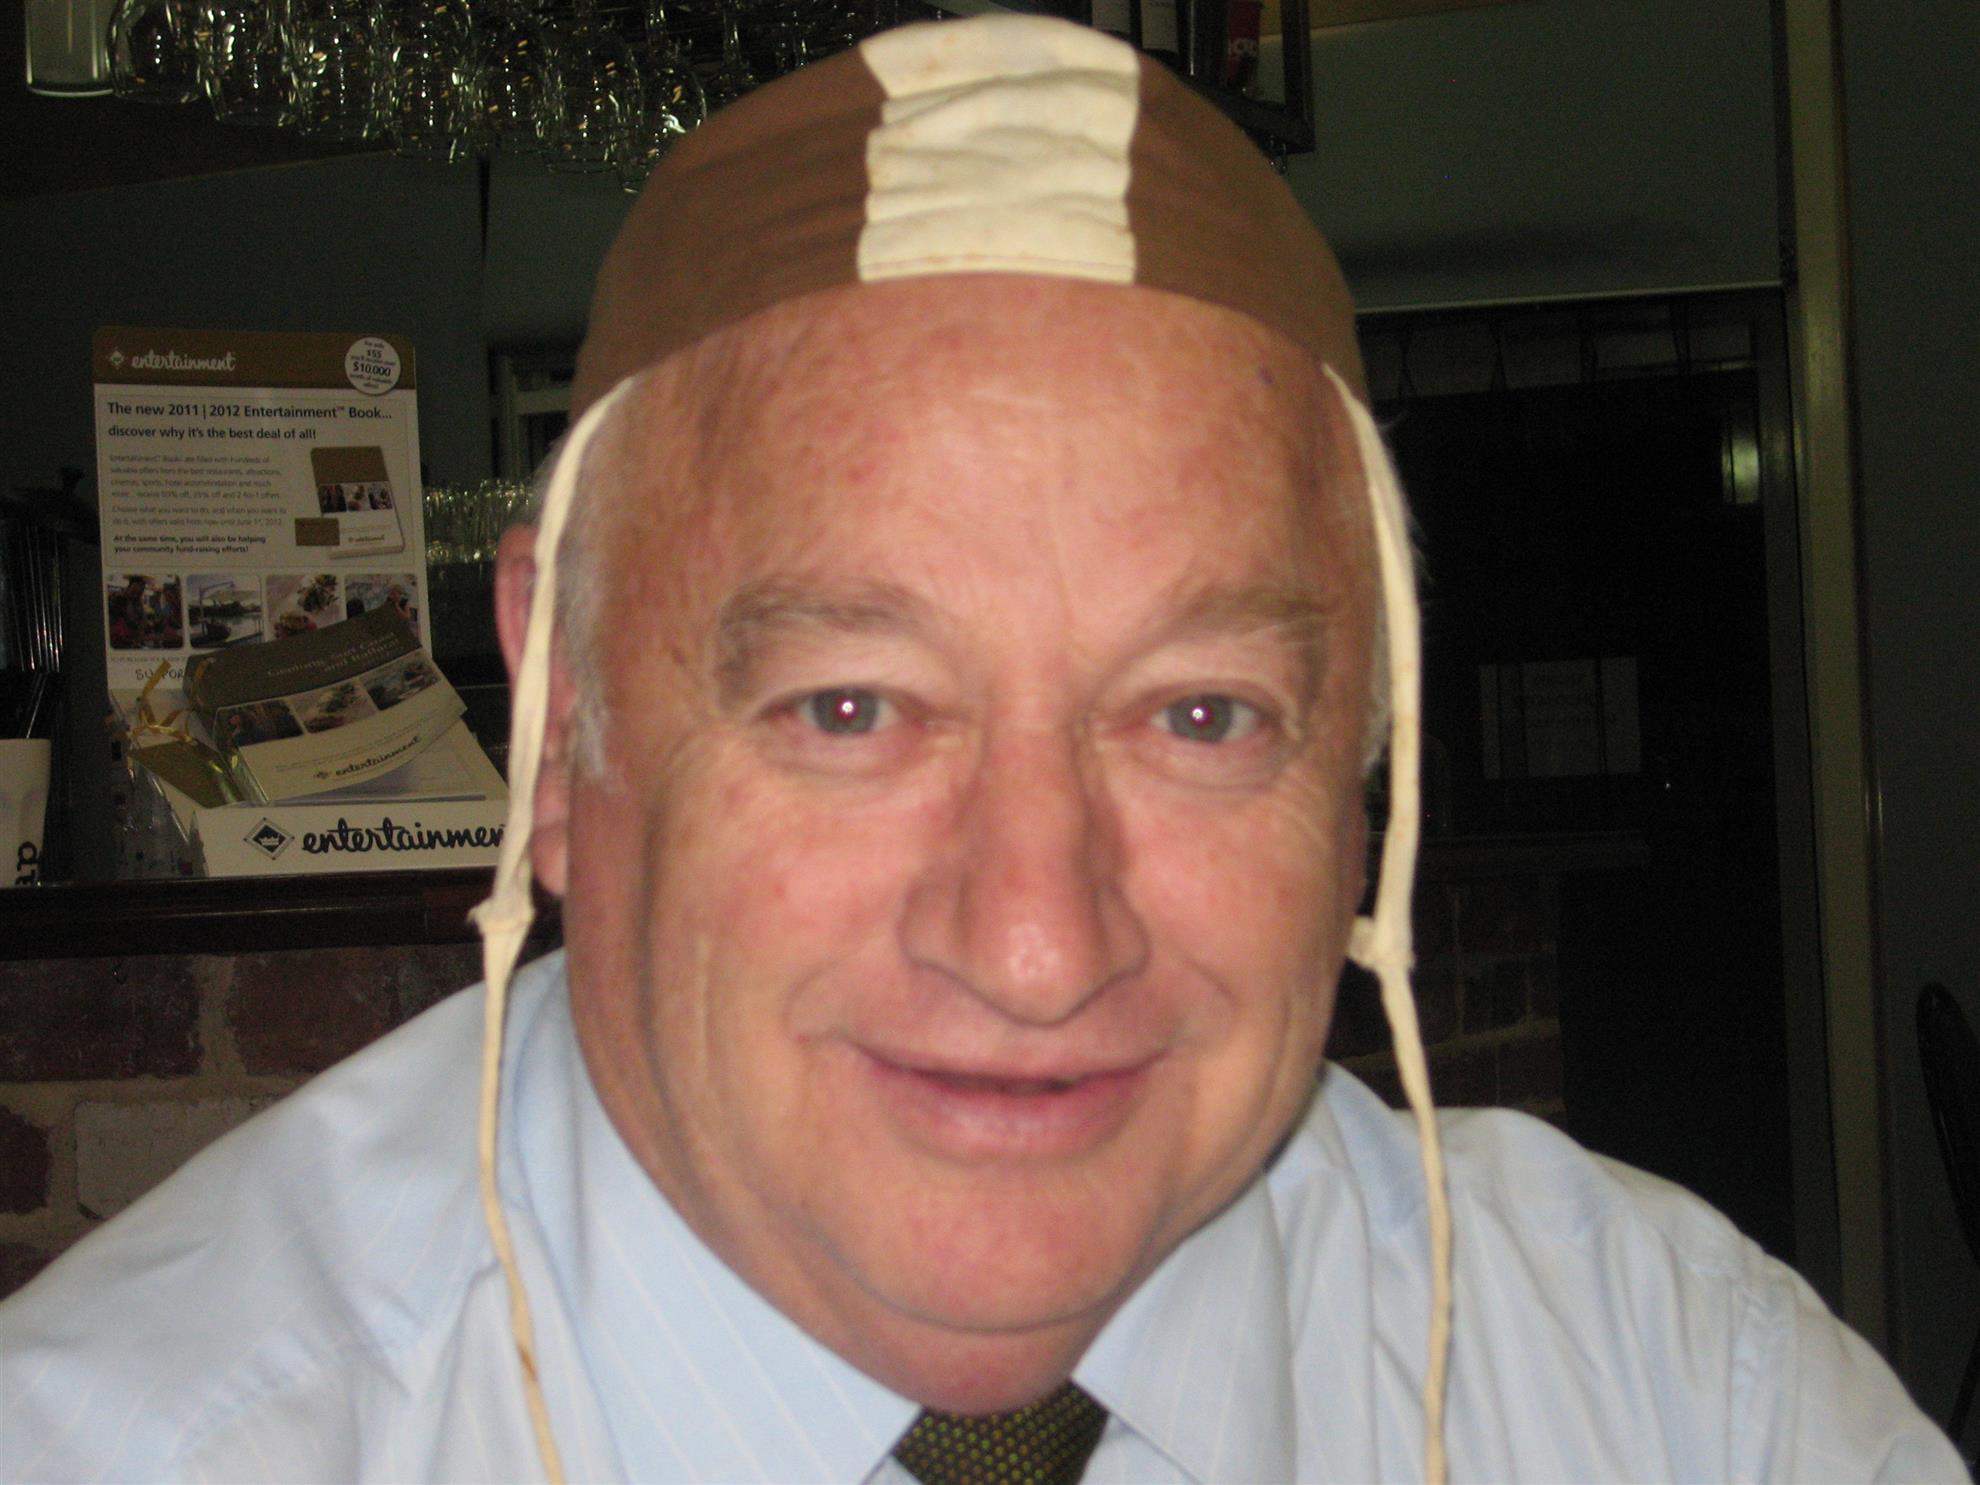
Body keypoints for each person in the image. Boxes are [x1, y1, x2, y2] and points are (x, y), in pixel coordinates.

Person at [0, 16, 1961, 1484]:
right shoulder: (141, 1442)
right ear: (566, 709)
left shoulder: (1681, 1396)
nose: (1036, 944)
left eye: (1202, 714)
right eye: (848, 706)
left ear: (1371, 738)